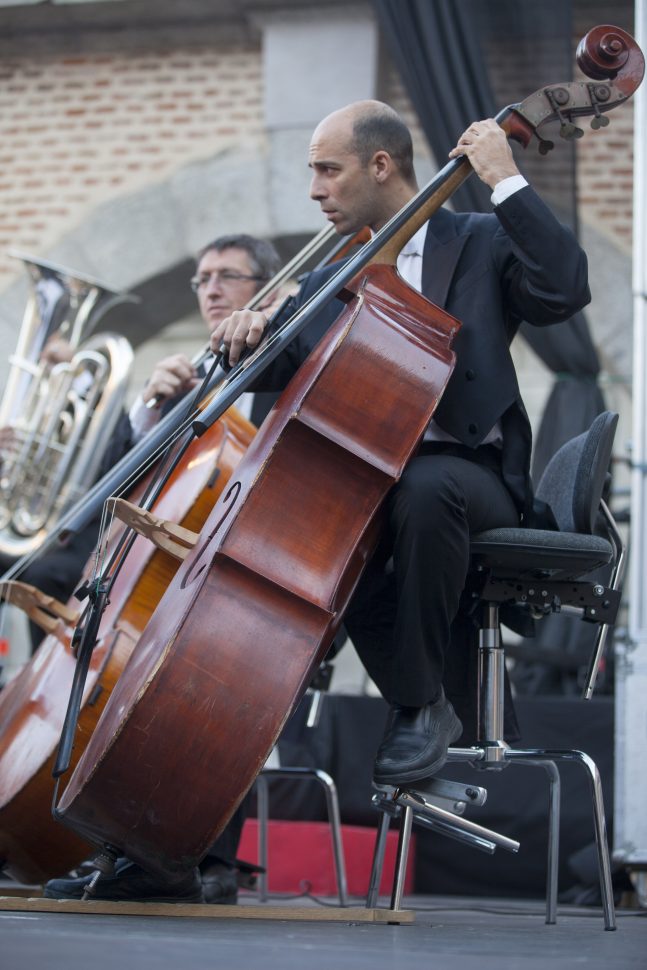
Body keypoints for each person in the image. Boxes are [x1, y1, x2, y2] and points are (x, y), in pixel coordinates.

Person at [209, 100, 590, 789]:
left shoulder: (477, 239)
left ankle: (417, 711)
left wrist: (505, 179)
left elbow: (563, 288)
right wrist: (246, 332)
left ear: (380, 165)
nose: (314, 189)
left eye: (327, 169)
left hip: (468, 476)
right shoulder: (332, 275)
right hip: (373, 483)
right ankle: (427, 706)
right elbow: (276, 368)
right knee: (324, 547)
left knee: (425, 485)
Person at [7, 235, 282, 904]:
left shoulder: (285, 368)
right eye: (201, 279)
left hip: (242, 582)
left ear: (266, 292)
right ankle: (88, 835)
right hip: (160, 577)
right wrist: (149, 414)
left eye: (227, 277)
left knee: (203, 663)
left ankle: (189, 854)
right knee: (56, 587)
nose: (210, 289)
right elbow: (121, 490)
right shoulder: (197, 374)